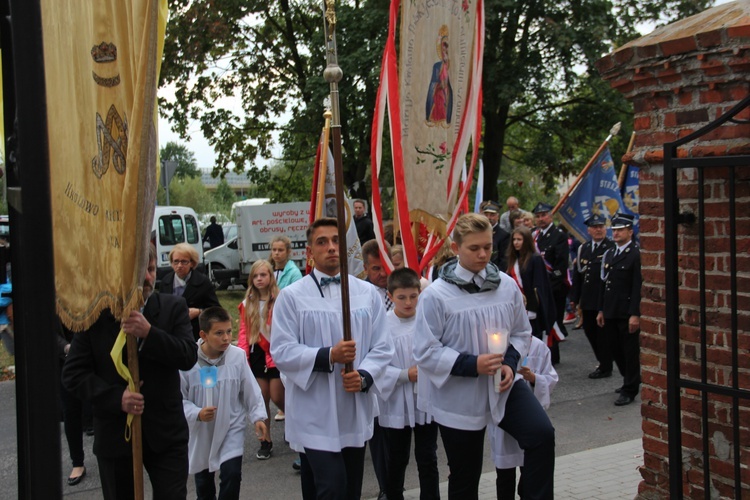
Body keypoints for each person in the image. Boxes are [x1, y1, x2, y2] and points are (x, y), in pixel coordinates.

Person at [413, 213, 555, 499]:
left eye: (488, 247)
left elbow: (520, 332)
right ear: (455, 248)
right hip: (459, 393)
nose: (482, 254)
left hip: (504, 384)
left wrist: (510, 365)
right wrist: (472, 364)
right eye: (474, 248)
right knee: (465, 475)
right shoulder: (437, 295)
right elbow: (425, 350)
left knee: (541, 435)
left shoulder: (505, 285)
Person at [270, 217, 394, 500]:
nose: (331, 248)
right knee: (333, 487)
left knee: (346, 487)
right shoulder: (292, 297)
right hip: (314, 408)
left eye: (337, 241)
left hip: (352, 406)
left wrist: (363, 376)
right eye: (322, 242)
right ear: (310, 252)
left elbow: (383, 346)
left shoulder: (365, 294)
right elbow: (282, 350)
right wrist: (329, 355)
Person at [62, 244, 198, 500]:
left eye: (151, 269)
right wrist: (116, 398)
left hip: (165, 433)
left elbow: (188, 356)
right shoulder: (95, 315)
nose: (147, 278)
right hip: (115, 436)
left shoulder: (172, 307)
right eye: (139, 272)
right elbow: (73, 375)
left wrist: (150, 333)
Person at [181, 307, 268, 500]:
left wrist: (258, 417)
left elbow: (250, 389)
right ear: (203, 334)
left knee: (232, 474)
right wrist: (197, 413)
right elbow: (180, 399)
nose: (226, 338)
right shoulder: (188, 361)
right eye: (219, 333)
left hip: (230, 425)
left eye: (229, 331)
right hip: (202, 430)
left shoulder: (236, 357)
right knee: (204, 483)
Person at [378, 268, 439, 500]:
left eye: (413, 296)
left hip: (425, 399)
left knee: (427, 457)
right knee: (396, 458)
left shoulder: (428, 321)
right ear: (390, 296)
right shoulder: (382, 326)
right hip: (396, 401)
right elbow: (376, 365)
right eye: (401, 297)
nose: (408, 302)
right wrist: (405, 374)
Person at [489, 336, 558, 499]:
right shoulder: (496, 344)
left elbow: (551, 378)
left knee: (530, 466)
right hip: (504, 416)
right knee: (505, 473)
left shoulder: (538, 346)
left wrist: (533, 378)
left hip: (529, 418)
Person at [350, 238, 391, 499]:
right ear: (365, 268)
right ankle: (386, 487)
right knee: (379, 440)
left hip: (404, 377)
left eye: (386, 266)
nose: (383, 273)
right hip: (374, 378)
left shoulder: (404, 289)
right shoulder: (360, 297)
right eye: (376, 268)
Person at [237, 260, 283, 460]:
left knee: (277, 396)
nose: (259, 279)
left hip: (277, 354)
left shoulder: (280, 300)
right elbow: (243, 332)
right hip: (257, 355)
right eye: (255, 276)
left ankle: (297, 425)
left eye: (263, 275)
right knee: (261, 399)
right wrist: (242, 355)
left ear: (270, 277)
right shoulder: (247, 303)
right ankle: (265, 440)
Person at [597, 214, 642, 406]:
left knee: (630, 351)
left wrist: (635, 313)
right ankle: (629, 378)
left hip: (626, 311)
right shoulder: (610, 253)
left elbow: (637, 285)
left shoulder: (635, 253)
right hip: (611, 310)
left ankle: (630, 388)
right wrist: (601, 310)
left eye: (620, 230)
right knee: (614, 348)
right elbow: (604, 284)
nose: (615, 233)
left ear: (630, 232)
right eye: (614, 230)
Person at [570, 214, 615, 379]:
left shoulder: (611, 247)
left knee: (602, 334)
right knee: (590, 331)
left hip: (602, 298)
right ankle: (603, 361)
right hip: (588, 298)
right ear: (589, 230)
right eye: (595, 227)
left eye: (601, 226)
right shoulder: (584, 248)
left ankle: (605, 365)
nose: (598, 229)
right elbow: (578, 275)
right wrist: (575, 297)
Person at [268, 234, 302, 424]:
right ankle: (285, 407)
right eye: (274, 250)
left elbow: (293, 300)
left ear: (288, 252)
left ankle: (290, 407)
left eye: (281, 250)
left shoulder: (293, 273)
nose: (277, 253)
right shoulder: (270, 270)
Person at [506, 226, 558, 342]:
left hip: (531, 307)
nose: (516, 243)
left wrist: (533, 309)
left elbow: (538, 286)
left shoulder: (535, 259)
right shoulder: (512, 259)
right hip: (516, 305)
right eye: (514, 239)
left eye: (519, 239)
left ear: (526, 241)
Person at [532, 202, 570, 364]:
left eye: (544, 215)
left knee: (553, 320)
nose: (541, 219)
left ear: (550, 216)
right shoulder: (535, 236)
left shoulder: (559, 235)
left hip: (554, 287)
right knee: (542, 321)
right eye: (538, 216)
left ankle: (554, 357)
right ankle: (544, 355)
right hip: (539, 287)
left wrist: (549, 285)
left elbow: (561, 265)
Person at [160, 243, 221, 341]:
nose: (179, 266)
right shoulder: (166, 281)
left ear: (192, 263)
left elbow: (217, 310)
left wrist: (199, 312)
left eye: (184, 262)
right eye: (176, 261)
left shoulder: (202, 282)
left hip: (195, 335)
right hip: (171, 335)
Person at [58, 320, 87, 486]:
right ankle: (77, 463)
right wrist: (66, 347)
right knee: (70, 410)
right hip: (66, 358)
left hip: (95, 350)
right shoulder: (53, 298)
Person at [481, 200, 510, 271]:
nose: (489, 217)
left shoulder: (504, 235)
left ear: (498, 216)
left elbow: (504, 260)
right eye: (486, 214)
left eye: (492, 215)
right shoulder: (479, 232)